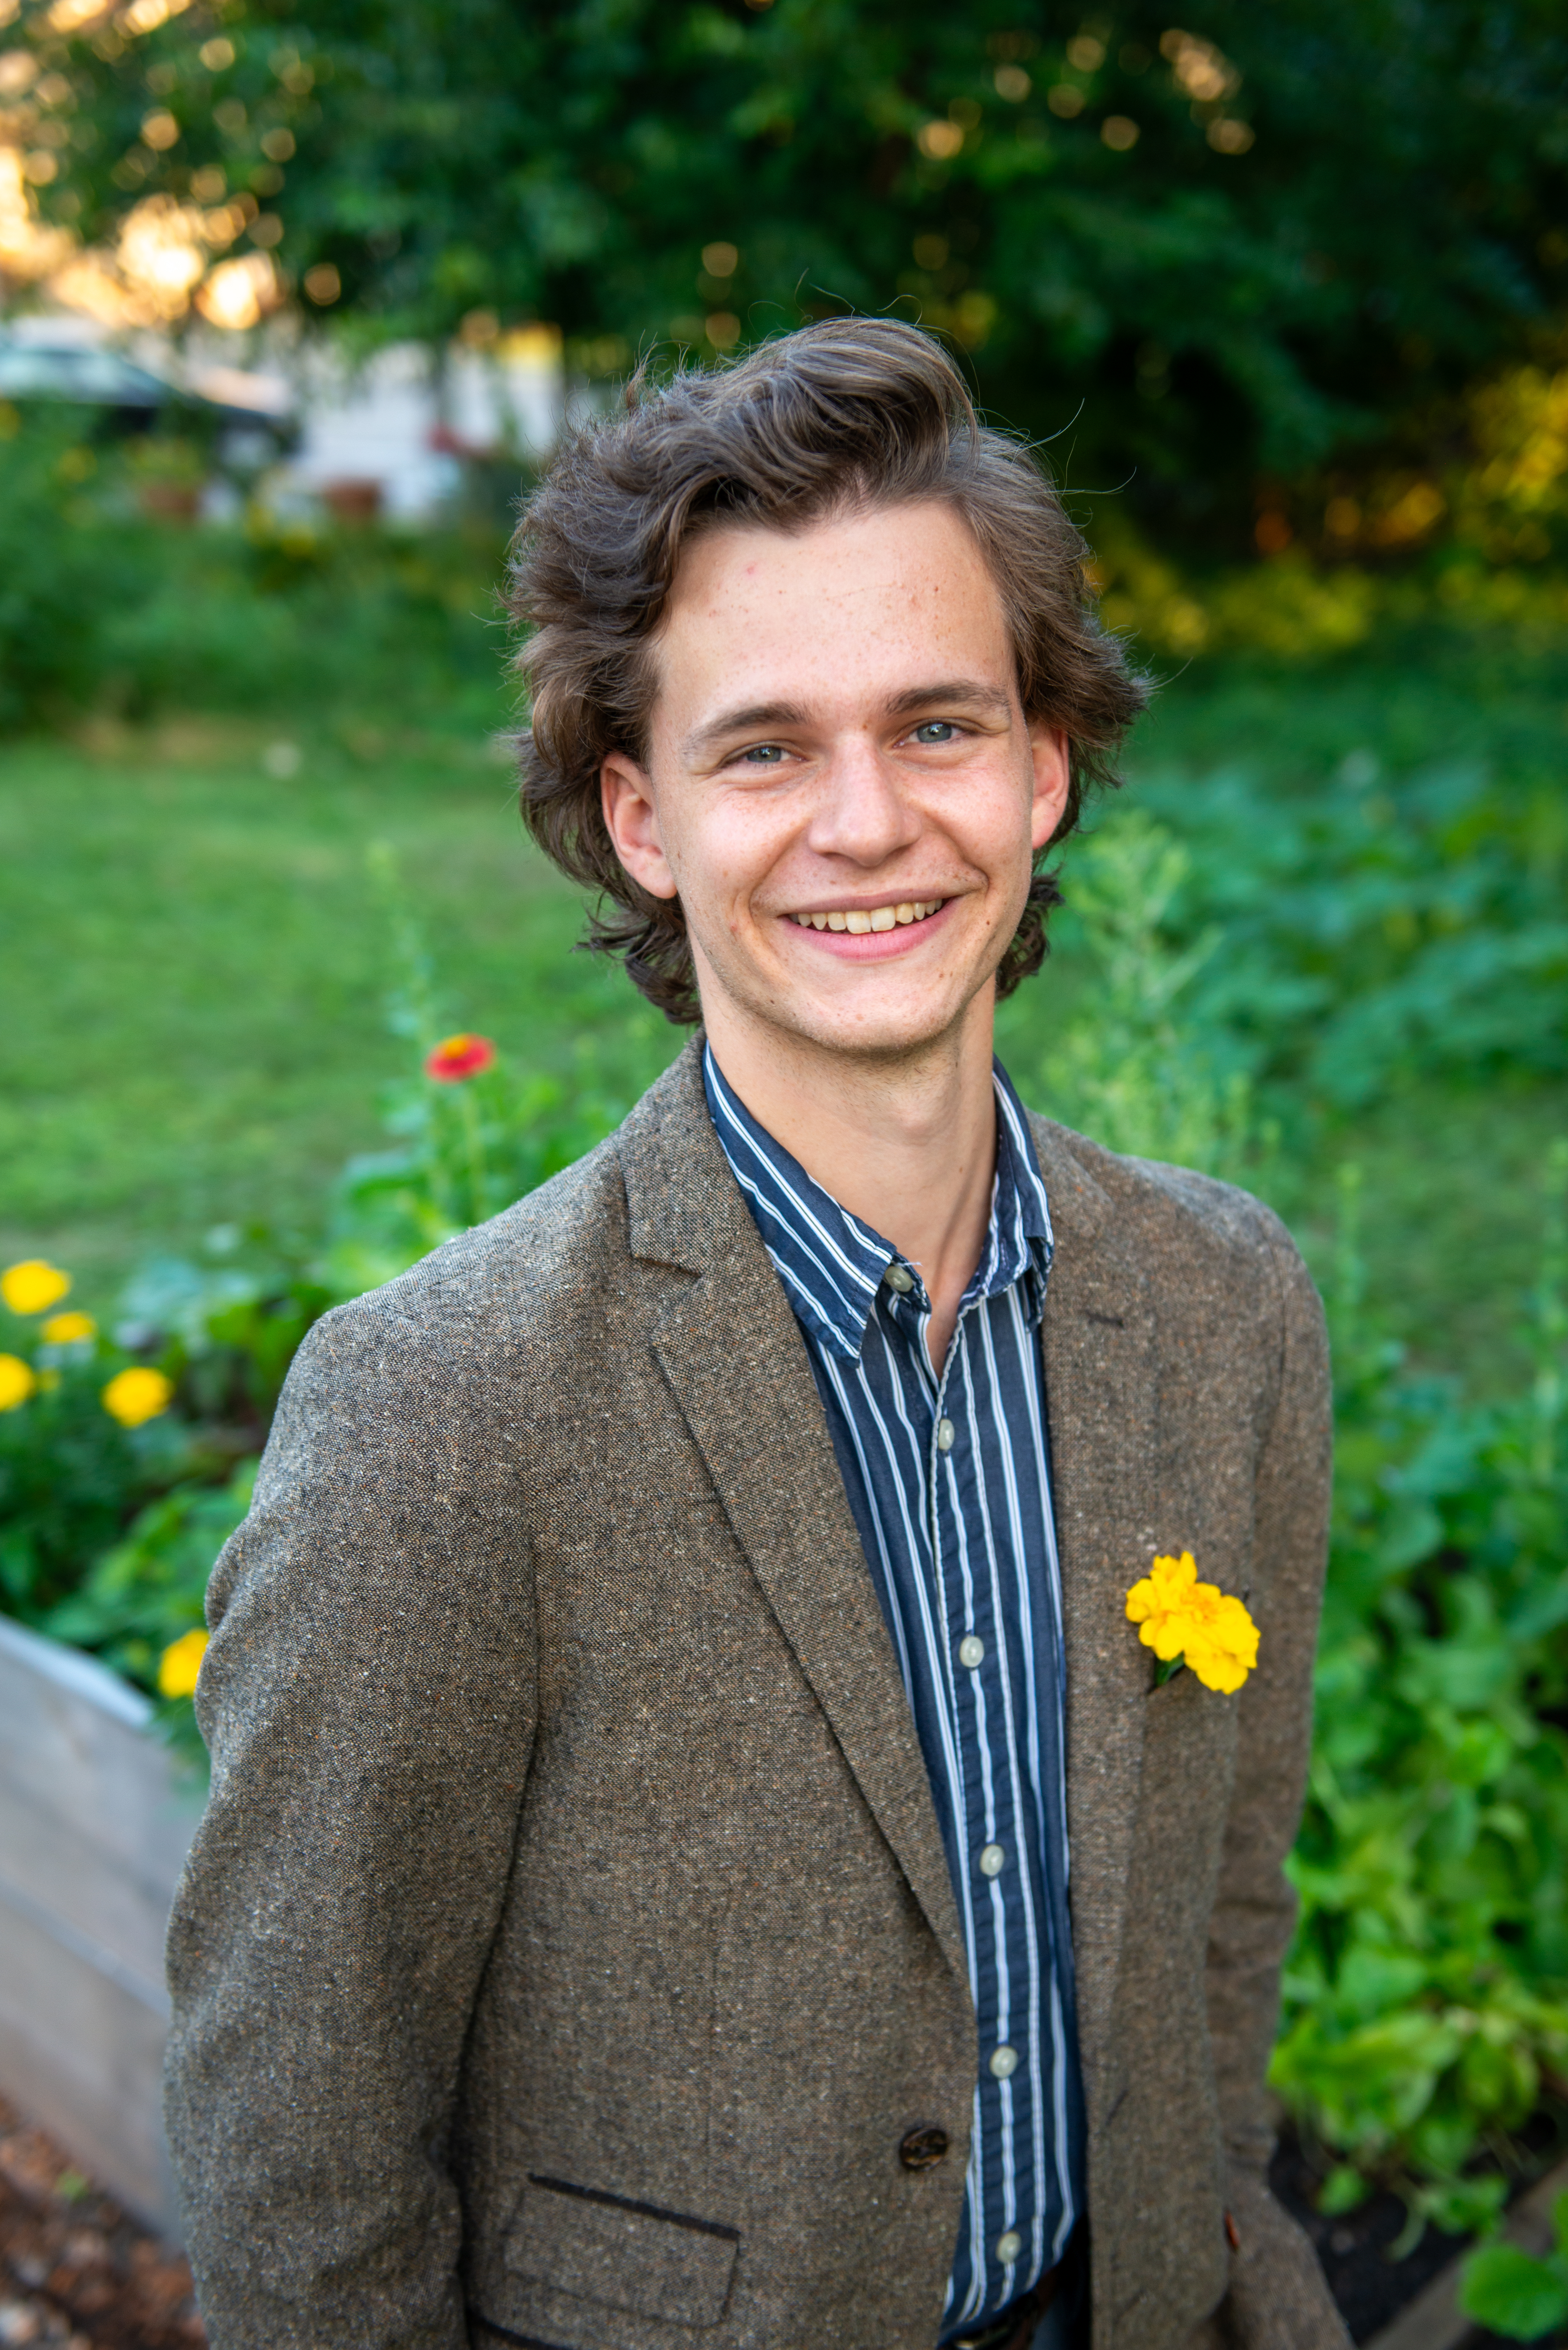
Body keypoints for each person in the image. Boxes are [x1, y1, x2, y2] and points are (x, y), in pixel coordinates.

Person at [165, 319, 1349, 2350]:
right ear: (642, 819)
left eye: (942, 728)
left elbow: (1218, 1920)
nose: (869, 822)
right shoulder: (444, 1414)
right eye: (767, 746)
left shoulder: (1227, 1306)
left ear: (1048, 765)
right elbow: (307, 2175)